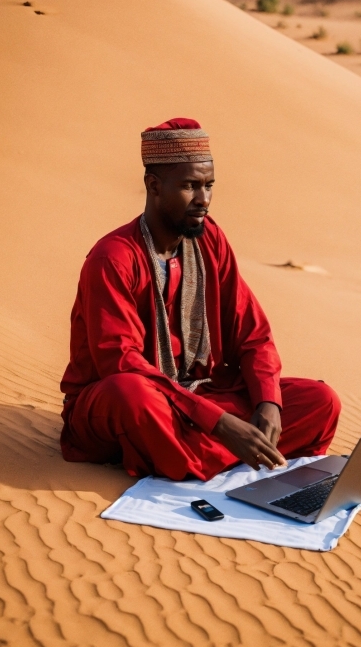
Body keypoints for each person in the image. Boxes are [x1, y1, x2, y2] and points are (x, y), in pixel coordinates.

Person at [60, 118, 341, 481]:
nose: (203, 200)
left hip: (201, 398)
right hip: (127, 406)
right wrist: (221, 424)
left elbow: (253, 334)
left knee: (320, 400)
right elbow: (121, 362)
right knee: (130, 394)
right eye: (190, 186)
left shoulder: (210, 239)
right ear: (154, 186)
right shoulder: (112, 258)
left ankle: (190, 459)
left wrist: (268, 403)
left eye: (208, 185)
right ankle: (216, 458)